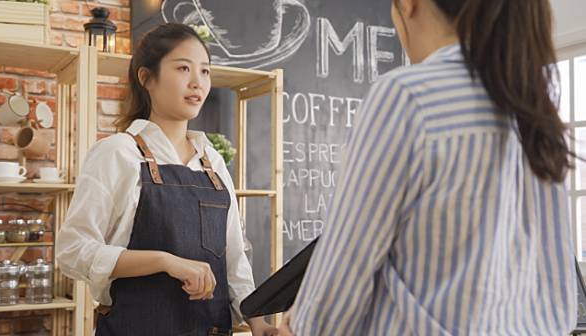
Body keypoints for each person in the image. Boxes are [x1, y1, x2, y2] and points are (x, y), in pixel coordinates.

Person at [280, 0, 577, 334]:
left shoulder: (406, 97)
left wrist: (303, 320)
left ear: (408, 5)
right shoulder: (534, 110)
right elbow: (558, 294)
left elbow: (333, 298)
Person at [56, 23, 277, 336]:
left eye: (205, 71)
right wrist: (164, 261)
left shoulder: (210, 161)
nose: (197, 83)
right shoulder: (118, 153)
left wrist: (259, 324)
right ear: (146, 78)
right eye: (183, 68)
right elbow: (71, 250)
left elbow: (234, 257)